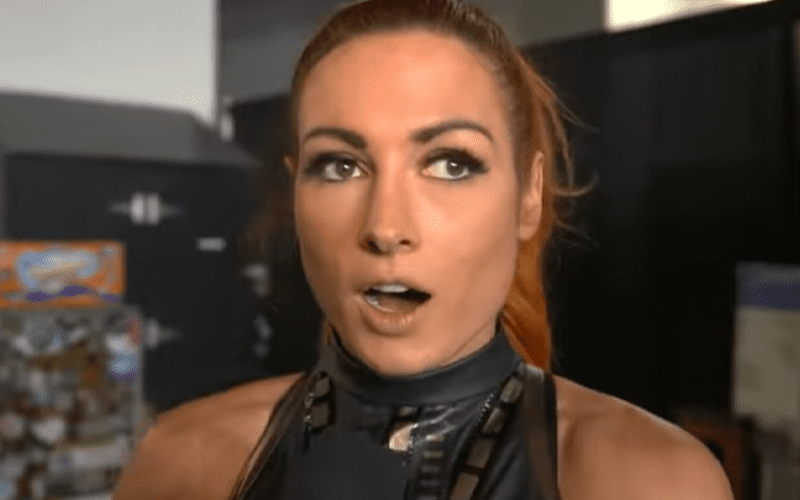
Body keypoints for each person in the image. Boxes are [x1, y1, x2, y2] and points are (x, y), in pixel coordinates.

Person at [112, 0, 735, 499]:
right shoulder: (184, 461)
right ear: (295, 191)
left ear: (529, 196)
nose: (386, 227)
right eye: (340, 165)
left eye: (451, 163)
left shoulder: (648, 481)